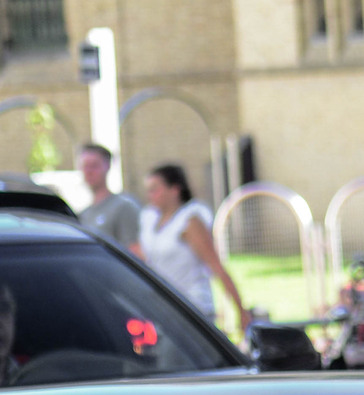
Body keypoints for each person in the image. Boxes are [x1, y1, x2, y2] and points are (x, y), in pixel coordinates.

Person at [140, 164, 248, 334]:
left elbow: (215, 266)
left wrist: (241, 311)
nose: (150, 195)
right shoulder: (149, 219)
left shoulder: (189, 221)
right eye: (148, 190)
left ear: (174, 190)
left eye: (155, 189)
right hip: (162, 310)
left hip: (191, 311)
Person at [75, 142, 140, 252]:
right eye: (85, 166)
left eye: (94, 166)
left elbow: (135, 251)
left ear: (108, 166)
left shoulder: (123, 207)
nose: (89, 172)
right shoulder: (84, 214)